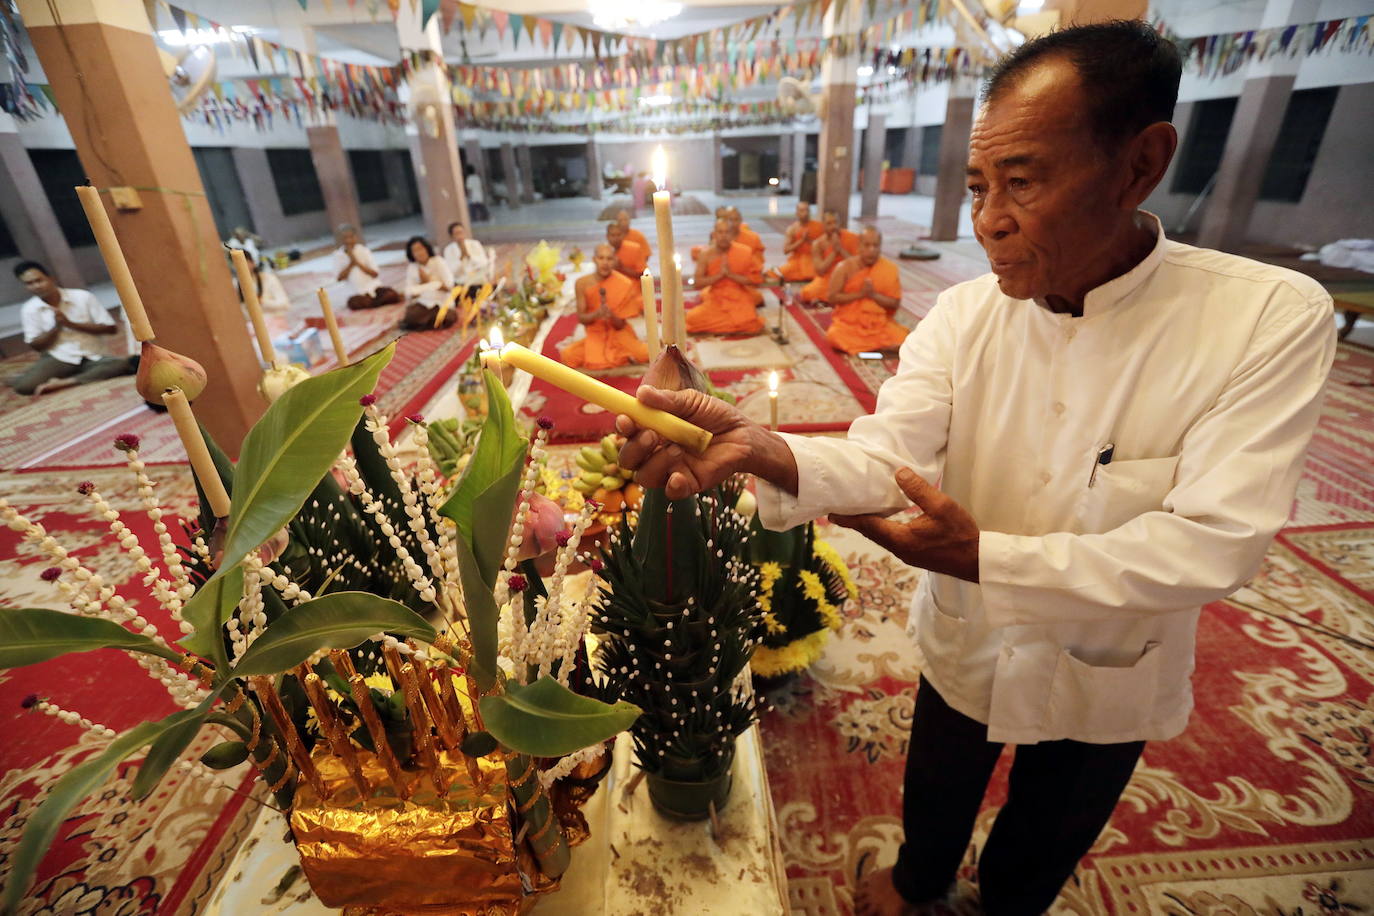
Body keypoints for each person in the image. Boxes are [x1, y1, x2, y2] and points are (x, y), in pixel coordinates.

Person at [613, 22, 1334, 916]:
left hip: (1112, 660)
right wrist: (765, 447)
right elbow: (890, 456)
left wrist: (988, 558)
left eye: (1022, 182)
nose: (990, 218)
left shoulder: (1263, 318)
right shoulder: (965, 313)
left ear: (1141, 164)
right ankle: (921, 882)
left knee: (1047, 834)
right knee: (939, 778)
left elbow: (1215, 543)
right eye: (980, 185)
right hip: (968, 634)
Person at [8, 261, 135, 395]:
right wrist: (56, 328)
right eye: (29, 283)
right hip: (60, 357)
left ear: (51, 278)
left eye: (39, 280)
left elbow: (111, 329)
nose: (36, 286)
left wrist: (71, 324)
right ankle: (67, 374)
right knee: (23, 386)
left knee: (124, 365)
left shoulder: (82, 297)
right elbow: (36, 345)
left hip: (93, 355)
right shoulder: (30, 309)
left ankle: (65, 382)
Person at [560, 243, 649, 371]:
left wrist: (611, 316)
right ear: (594, 260)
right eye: (601, 258)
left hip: (619, 334)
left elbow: (621, 325)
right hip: (595, 334)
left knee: (645, 354)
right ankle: (624, 357)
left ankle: (624, 354)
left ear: (615, 261)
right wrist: (597, 314)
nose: (605, 263)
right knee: (568, 356)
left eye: (609, 259)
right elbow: (582, 319)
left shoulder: (624, 283)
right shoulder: (582, 283)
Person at [826, 227, 908, 354]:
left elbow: (894, 303)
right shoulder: (845, 268)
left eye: (876, 246)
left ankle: (869, 348)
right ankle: (880, 348)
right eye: (867, 245)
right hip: (849, 324)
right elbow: (832, 297)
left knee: (905, 339)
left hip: (879, 325)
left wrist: (873, 295)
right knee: (834, 335)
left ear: (880, 247)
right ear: (859, 246)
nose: (872, 250)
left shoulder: (889, 269)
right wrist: (860, 294)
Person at [684, 218, 764, 336]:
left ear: (733, 235)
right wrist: (719, 276)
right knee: (691, 319)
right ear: (714, 234)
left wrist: (731, 275)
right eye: (720, 232)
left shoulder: (744, 251)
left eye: (727, 232)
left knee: (751, 323)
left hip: (738, 295)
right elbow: (698, 282)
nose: (724, 236)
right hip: (716, 296)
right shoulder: (706, 255)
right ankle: (733, 324)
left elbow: (755, 280)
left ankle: (734, 323)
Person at [334, 224, 401, 311]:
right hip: (355, 292)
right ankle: (376, 303)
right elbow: (339, 278)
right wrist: (351, 263)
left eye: (351, 237)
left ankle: (373, 302)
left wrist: (357, 262)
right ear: (341, 240)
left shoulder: (364, 250)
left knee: (391, 295)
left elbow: (375, 274)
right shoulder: (338, 255)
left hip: (373, 287)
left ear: (356, 237)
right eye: (345, 238)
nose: (349, 241)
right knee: (355, 303)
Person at [798, 210, 860, 304]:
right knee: (806, 293)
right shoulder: (818, 244)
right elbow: (820, 270)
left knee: (861, 287)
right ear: (823, 226)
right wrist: (834, 252)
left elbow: (858, 265)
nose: (833, 226)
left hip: (847, 278)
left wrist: (841, 250)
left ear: (840, 223)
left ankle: (838, 298)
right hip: (828, 279)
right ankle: (841, 298)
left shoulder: (852, 237)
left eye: (835, 222)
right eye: (829, 223)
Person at [399, 236, 456, 331]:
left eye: (421, 248)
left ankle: (425, 323)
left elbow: (449, 287)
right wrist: (422, 283)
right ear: (412, 254)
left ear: (427, 248)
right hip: (424, 303)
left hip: (441, 302)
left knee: (447, 317)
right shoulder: (412, 267)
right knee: (410, 316)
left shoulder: (438, 261)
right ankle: (430, 322)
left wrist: (430, 280)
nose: (419, 253)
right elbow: (410, 293)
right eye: (415, 251)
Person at [443, 220, 494, 296]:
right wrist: (461, 258)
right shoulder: (448, 250)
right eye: (456, 234)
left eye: (461, 232)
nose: (460, 236)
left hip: (479, 280)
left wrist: (469, 256)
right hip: (462, 283)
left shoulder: (475, 244)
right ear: (452, 236)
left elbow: (484, 263)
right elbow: (452, 272)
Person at [777, 201, 825, 282]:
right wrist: (801, 241)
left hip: (814, 259)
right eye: (802, 210)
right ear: (797, 213)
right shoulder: (792, 229)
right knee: (780, 272)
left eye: (807, 210)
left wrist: (810, 241)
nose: (805, 213)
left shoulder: (819, 226)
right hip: (798, 260)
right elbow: (786, 250)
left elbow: (825, 246)